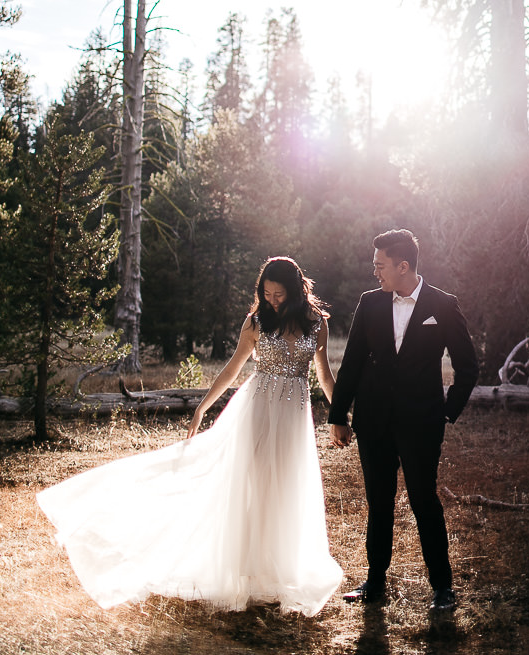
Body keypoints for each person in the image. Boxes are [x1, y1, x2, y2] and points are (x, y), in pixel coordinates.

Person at [37, 257, 343, 617]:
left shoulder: (316, 325)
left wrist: (342, 417)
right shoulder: (256, 322)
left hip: (293, 417)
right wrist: (202, 407)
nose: (273, 300)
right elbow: (233, 367)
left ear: (296, 291)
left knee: (286, 488)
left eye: (280, 294)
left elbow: (324, 376)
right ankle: (245, 572)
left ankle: (278, 572)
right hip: (257, 412)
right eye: (267, 293)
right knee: (253, 487)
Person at [328, 229, 478, 611]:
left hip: (421, 423)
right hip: (373, 420)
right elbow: (352, 363)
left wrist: (446, 411)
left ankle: (442, 587)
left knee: (423, 501)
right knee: (379, 503)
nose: (375, 272)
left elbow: (468, 366)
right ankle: (374, 583)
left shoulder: (443, 305)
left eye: (380, 265)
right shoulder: (370, 303)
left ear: (403, 266)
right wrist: (338, 416)